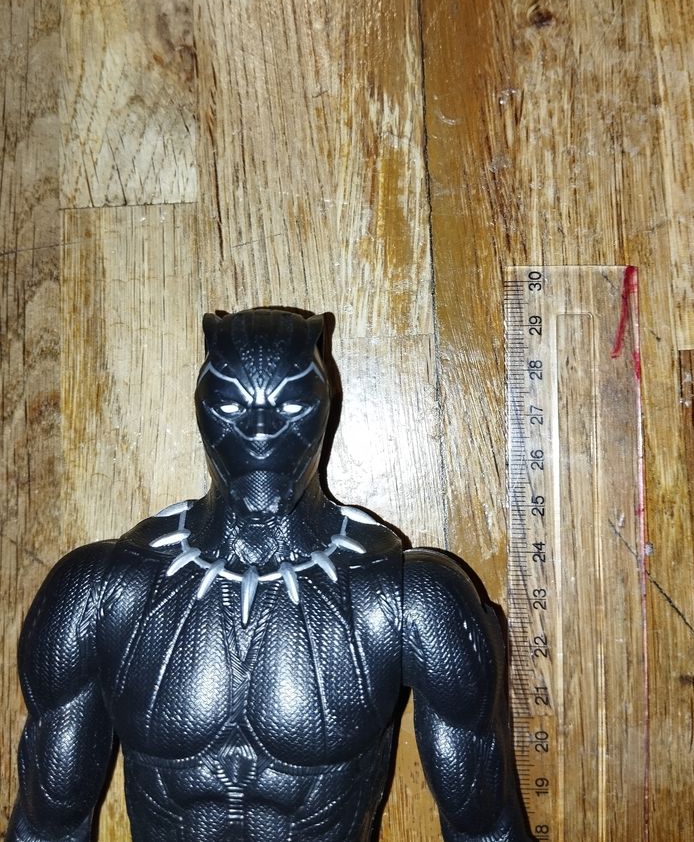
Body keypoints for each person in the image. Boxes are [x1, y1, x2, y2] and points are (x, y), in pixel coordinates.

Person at [9, 308, 532, 842]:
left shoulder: (409, 599)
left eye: (291, 403)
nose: (260, 431)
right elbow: (46, 824)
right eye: (231, 403)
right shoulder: (100, 591)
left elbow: (485, 828)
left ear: (325, 407)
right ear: (200, 409)